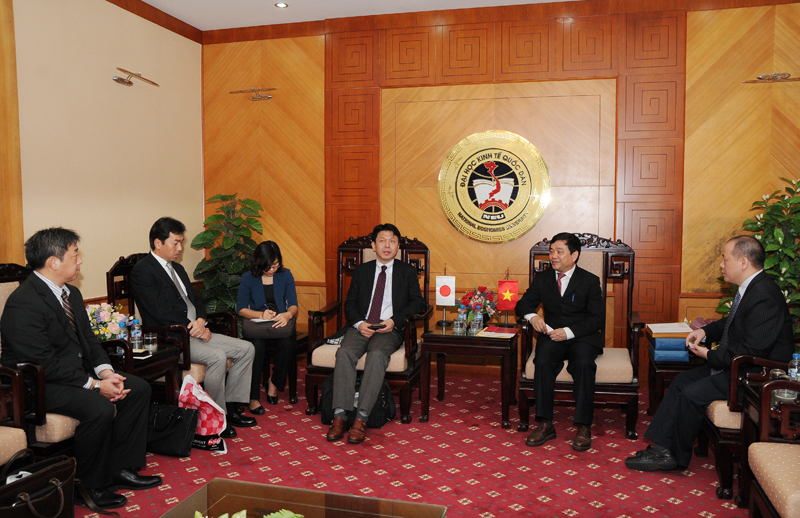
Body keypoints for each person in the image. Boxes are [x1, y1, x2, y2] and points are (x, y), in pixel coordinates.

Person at [0, 228, 162, 509]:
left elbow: (88, 340)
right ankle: (89, 484)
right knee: (98, 407)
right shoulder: (24, 302)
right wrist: (95, 386)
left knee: (137, 388)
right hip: (37, 384)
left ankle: (120, 468)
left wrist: (106, 373)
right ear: (53, 262)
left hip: (71, 376)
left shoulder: (71, 293)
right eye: (74, 255)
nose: (80, 261)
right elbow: (43, 362)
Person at [626, 235, 795, 471]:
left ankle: (675, 457)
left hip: (755, 375)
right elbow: (732, 322)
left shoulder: (764, 295)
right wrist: (705, 331)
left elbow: (752, 350)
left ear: (743, 262)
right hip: (739, 367)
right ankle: (662, 447)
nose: (721, 265)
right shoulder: (753, 288)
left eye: (725, 259)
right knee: (681, 382)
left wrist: (709, 356)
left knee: (690, 394)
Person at [131, 217, 257, 438]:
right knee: (217, 357)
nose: (180, 248)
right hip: (171, 339)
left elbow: (196, 300)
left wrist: (201, 321)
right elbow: (158, 311)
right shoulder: (143, 271)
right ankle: (217, 419)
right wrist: (192, 327)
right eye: (176, 242)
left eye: (181, 242)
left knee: (246, 349)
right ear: (158, 243)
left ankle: (231, 408)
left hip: (195, 331)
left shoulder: (178, 269)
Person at [326, 223, 425, 444]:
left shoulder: (407, 271)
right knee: (344, 353)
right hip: (362, 326)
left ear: (398, 246)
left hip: (389, 328)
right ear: (373, 245)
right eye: (382, 241)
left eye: (392, 241)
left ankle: (361, 418)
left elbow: (418, 303)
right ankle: (340, 416)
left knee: (377, 355)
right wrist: (360, 323)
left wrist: (394, 320)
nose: (387, 245)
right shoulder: (362, 271)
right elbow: (350, 303)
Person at [514, 232, 604, 452]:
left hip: (582, 337)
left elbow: (597, 319)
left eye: (559, 251)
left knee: (583, 363)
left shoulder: (590, 281)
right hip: (553, 336)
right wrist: (533, 317)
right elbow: (522, 305)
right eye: (551, 251)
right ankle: (545, 423)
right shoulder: (543, 278)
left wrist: (569, 332)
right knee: (542, 360)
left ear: (574, 255)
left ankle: (583, 426)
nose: (553, 256)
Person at [236, 241, 299, 411]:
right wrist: (259, 315)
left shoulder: (285, 275)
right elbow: (240, 308)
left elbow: (293, 304)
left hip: (280, 323)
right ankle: (253, 396)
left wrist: (287, 314)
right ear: (259, 262)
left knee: (288, 344)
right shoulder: (248, 278)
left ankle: (273, 383)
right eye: (268, 266)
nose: (272, 269)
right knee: (256, 347)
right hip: (257, 326)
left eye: (275, 265)